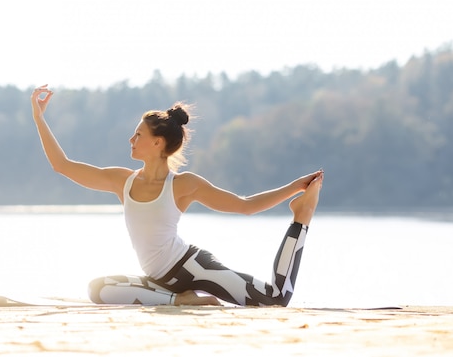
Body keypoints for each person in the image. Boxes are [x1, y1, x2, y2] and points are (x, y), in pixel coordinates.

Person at [31, 84, 323, 306]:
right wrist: (38, 117)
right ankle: (178, 300)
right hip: (158, 283)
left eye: (138, 135)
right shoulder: (122, 181)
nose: (131, 140)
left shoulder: (183, 185)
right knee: (98, 288)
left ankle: (301, 216)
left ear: (157, 143)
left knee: (275, 298)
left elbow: (245, 206)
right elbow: (62, 166)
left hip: (193, 269)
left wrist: (295, 187)